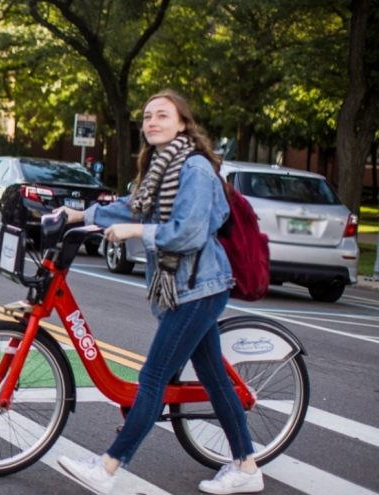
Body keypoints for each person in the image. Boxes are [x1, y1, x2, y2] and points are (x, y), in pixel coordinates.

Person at [54, 89, 263, 495]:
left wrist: (135, 232)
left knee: (153, 378)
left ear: (183, 123)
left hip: (199, 289)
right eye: (148, 116)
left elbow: (188, 233)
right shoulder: (160, 168)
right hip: (183, 288)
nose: (152, 122)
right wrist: (81, 214)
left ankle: (108, 467)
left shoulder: (195, 169)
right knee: (215, 379)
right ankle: (247, 467)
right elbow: (134, 205)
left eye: (162, 115)